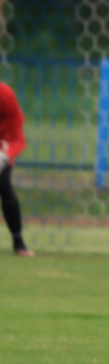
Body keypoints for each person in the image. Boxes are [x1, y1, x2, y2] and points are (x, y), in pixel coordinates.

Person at [0, 81, 34, 257]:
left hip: (1, 149)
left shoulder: (5, 94)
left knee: (3, 183)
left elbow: (18, 139)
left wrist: (4, 157)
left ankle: (18, 242)